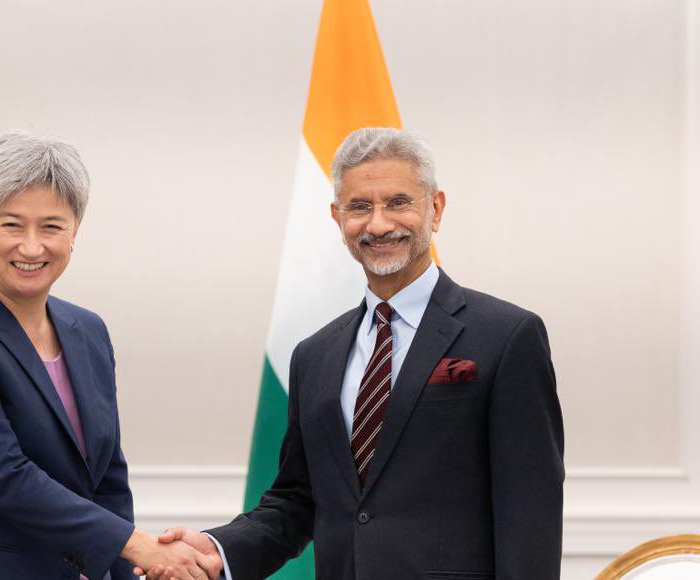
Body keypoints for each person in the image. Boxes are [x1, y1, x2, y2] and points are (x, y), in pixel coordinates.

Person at [140, 127, 564, 580]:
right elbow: (296, 500)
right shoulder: (314, 357)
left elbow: (530, 510)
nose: (379, 224)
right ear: (337, 217)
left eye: (398, 202)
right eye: (360, 207)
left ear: (435, 209)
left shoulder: (507, 336)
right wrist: (216, 550)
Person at [0, 131, 219, 580]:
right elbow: (3, 475)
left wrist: (127, 569)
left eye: (51, 226)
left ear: (75, 230)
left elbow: (107, 477)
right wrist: (139, 546)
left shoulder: (87, 331)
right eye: (11, 224)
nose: (31, 247)